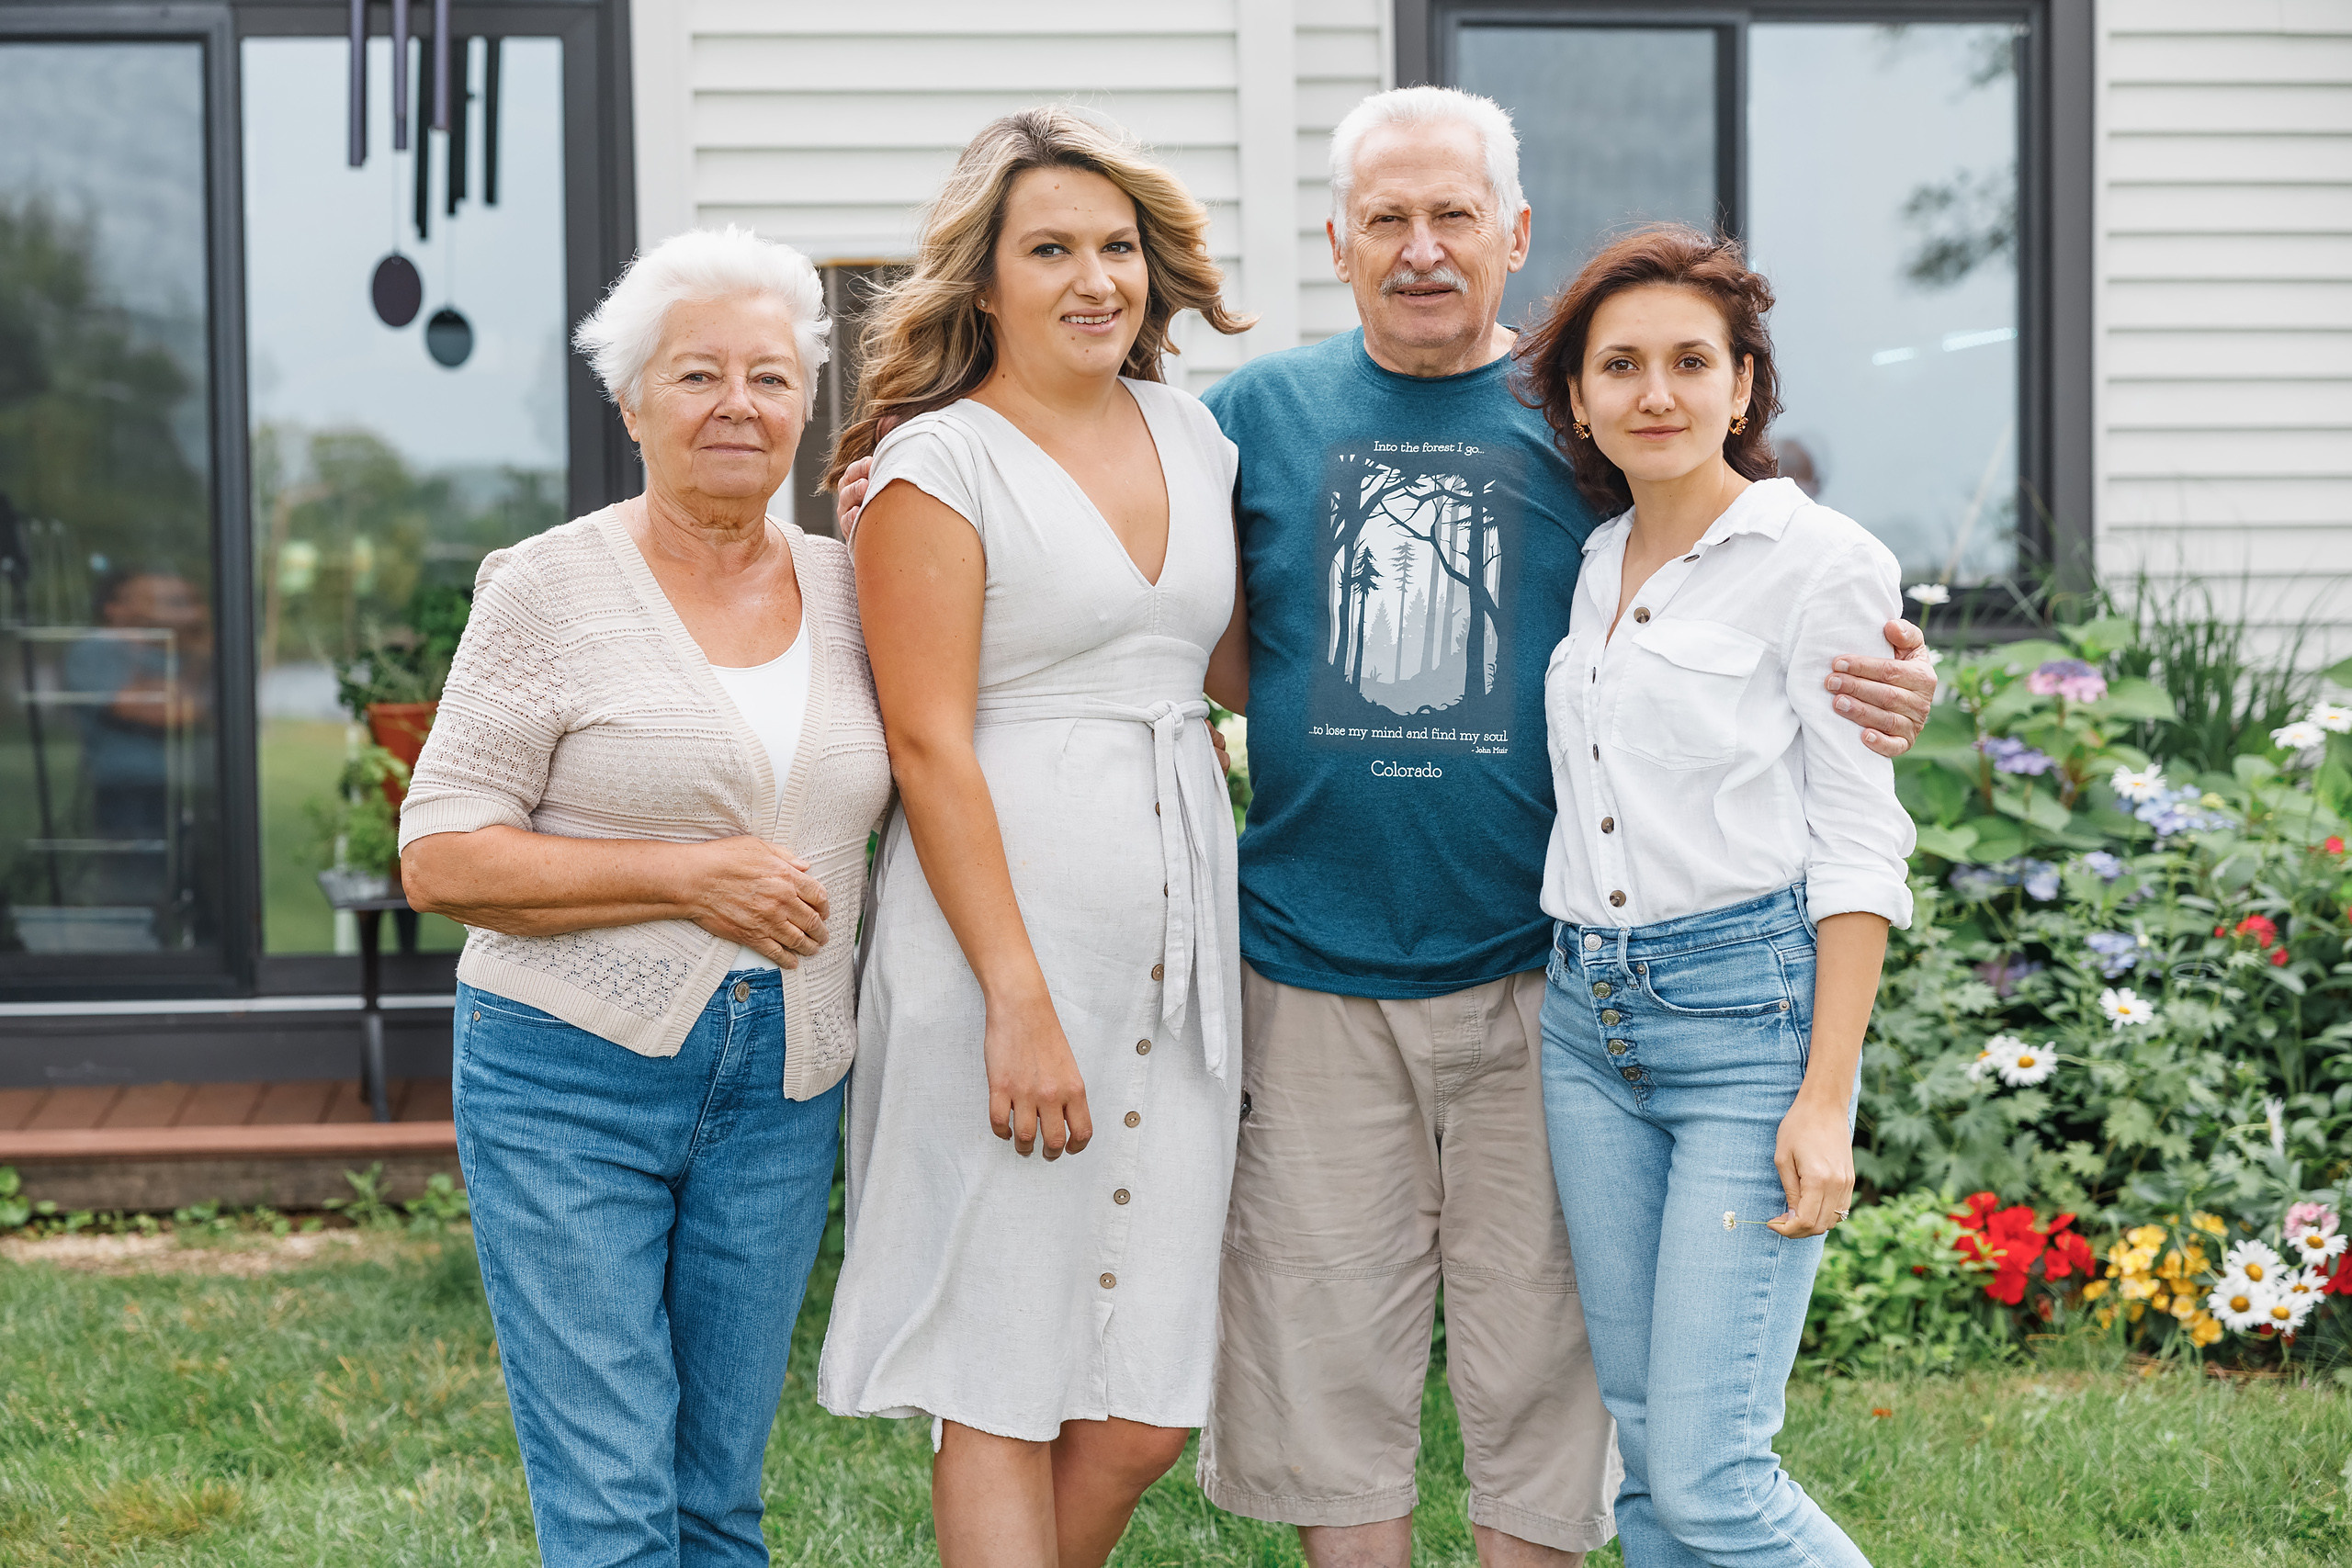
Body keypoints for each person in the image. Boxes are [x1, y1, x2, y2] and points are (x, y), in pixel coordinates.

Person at [833, 87, 1937, 1568]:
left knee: (1542, 1374)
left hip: (1546, 977)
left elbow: (1740, 560)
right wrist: (884, 487)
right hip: (1306, 968)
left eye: (1456, 217)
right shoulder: (1236, 424)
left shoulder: (1590, 421)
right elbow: (1108, 563)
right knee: (1319, 1362)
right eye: (1390, 221)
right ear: (1339, 240)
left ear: (1514, 236)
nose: (1424, 250)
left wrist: (1887, 668)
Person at [397, 227, 894, 1567]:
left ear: (807, 402)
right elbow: (441, 854)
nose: (738, 403)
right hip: (567, 1076)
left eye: (771, 377)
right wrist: (688, 877)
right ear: (631, 404)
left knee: (717, 1500)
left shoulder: (861, 590)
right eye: (697, 376)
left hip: (786, 1086)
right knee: (613, 1507)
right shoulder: (550, 587)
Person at [812, 107, 1252, 1568]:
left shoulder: (1196, 435)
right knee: (999, 1379)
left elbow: (1235, 665)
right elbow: (928, 745)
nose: (1093, 279)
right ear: (983, 284)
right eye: (1049, 249)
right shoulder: (938, 467)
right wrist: (1015, 999)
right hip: (1005, 960)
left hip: (1179, 962)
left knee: (1138, 1410)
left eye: (1116, 247)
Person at [1515, 223, 1907, 1567]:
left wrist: (1825, 1094)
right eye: (1619, 366)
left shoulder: (1821, 563)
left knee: (1715, 1477)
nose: (1657, 392)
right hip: (1588, 1023)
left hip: (1746, 1024)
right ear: (1578, 396)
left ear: (1746, 385)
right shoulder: (1594, 558)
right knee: (1644, 1452)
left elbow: (1861, 839)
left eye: (1693, 360)